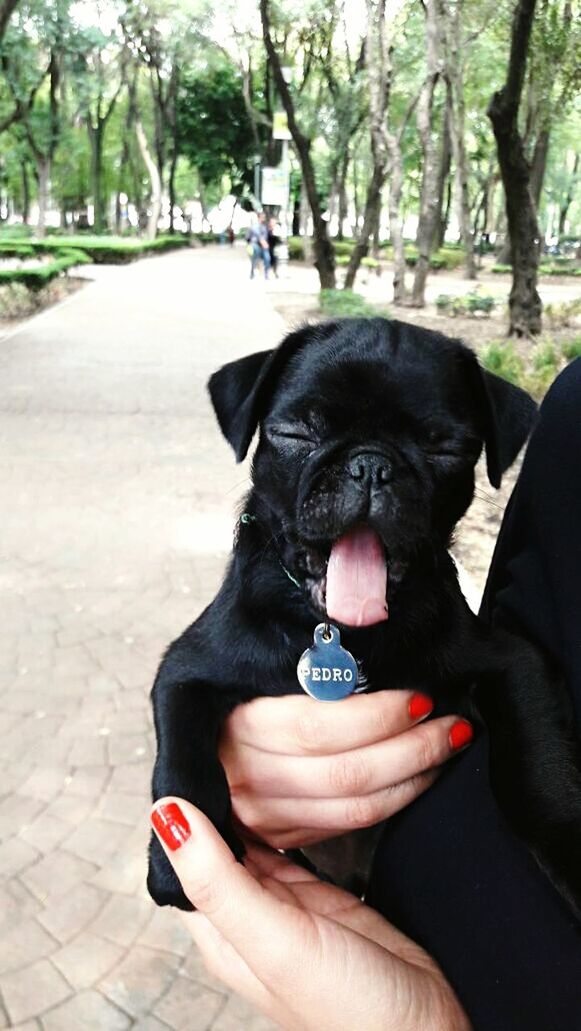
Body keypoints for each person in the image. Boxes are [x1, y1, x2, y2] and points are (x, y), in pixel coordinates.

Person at [150, 359, 581, 1030]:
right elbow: (186, 676)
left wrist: (550, 814)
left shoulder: (438, 614)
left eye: (437, 449)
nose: (369, 478)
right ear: (251, 432)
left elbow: (505, 661)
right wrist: (196, 793)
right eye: (300, 435)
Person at [246, 211, 271, 280]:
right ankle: (252, 272)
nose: (264, 218)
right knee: (255, 256)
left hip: (263, 246)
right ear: (259, 217)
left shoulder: (265, 227)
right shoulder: (254, 226)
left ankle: (266, 274)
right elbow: (250, 237)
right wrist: (261, 241)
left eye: (264, 217)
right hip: (255, 245)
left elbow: (266, 237)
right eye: (262, 217)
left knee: (267, 258)